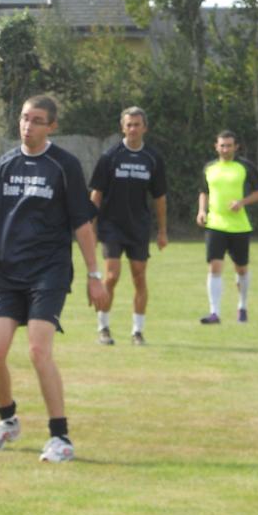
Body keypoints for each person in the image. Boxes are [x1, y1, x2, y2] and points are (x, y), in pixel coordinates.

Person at [0, 94, 108, 463]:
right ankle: (8, 420)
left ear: (52, 127)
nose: (28, 126)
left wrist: (95, 274)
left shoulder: (64, 166)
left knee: (37, 349)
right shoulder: (5, 164)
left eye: (37, 120)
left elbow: (82, 223)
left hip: (48, 272)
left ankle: (60, 437)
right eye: (24, 118)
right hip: (8, 272)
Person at [88, 106, 168, 345]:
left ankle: (137, 332)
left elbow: (160, 198)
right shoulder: (110, 156)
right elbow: (96, 194)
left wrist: (162, 231)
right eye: (129, 124)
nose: (133, 129)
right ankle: (103, 328)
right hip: (112, 226)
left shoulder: (153, 158)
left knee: (139, 277)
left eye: (137, 124)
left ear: (145, 127)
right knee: (111, 276)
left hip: (139, 227)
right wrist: (90, 228)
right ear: (122, 127)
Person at [196, 130, 258, 325]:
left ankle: (242, 306)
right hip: (215, 225)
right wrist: (202, 211)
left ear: (236, 147)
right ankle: (214, 313)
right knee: (215, 267)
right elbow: (203, 191)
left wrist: (242, 202)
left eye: (229, 145)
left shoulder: (244, 166)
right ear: (216, 147)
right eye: (222, 145)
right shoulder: (209, 168)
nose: (225, 149)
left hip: (239, 226)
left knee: (242, 269)